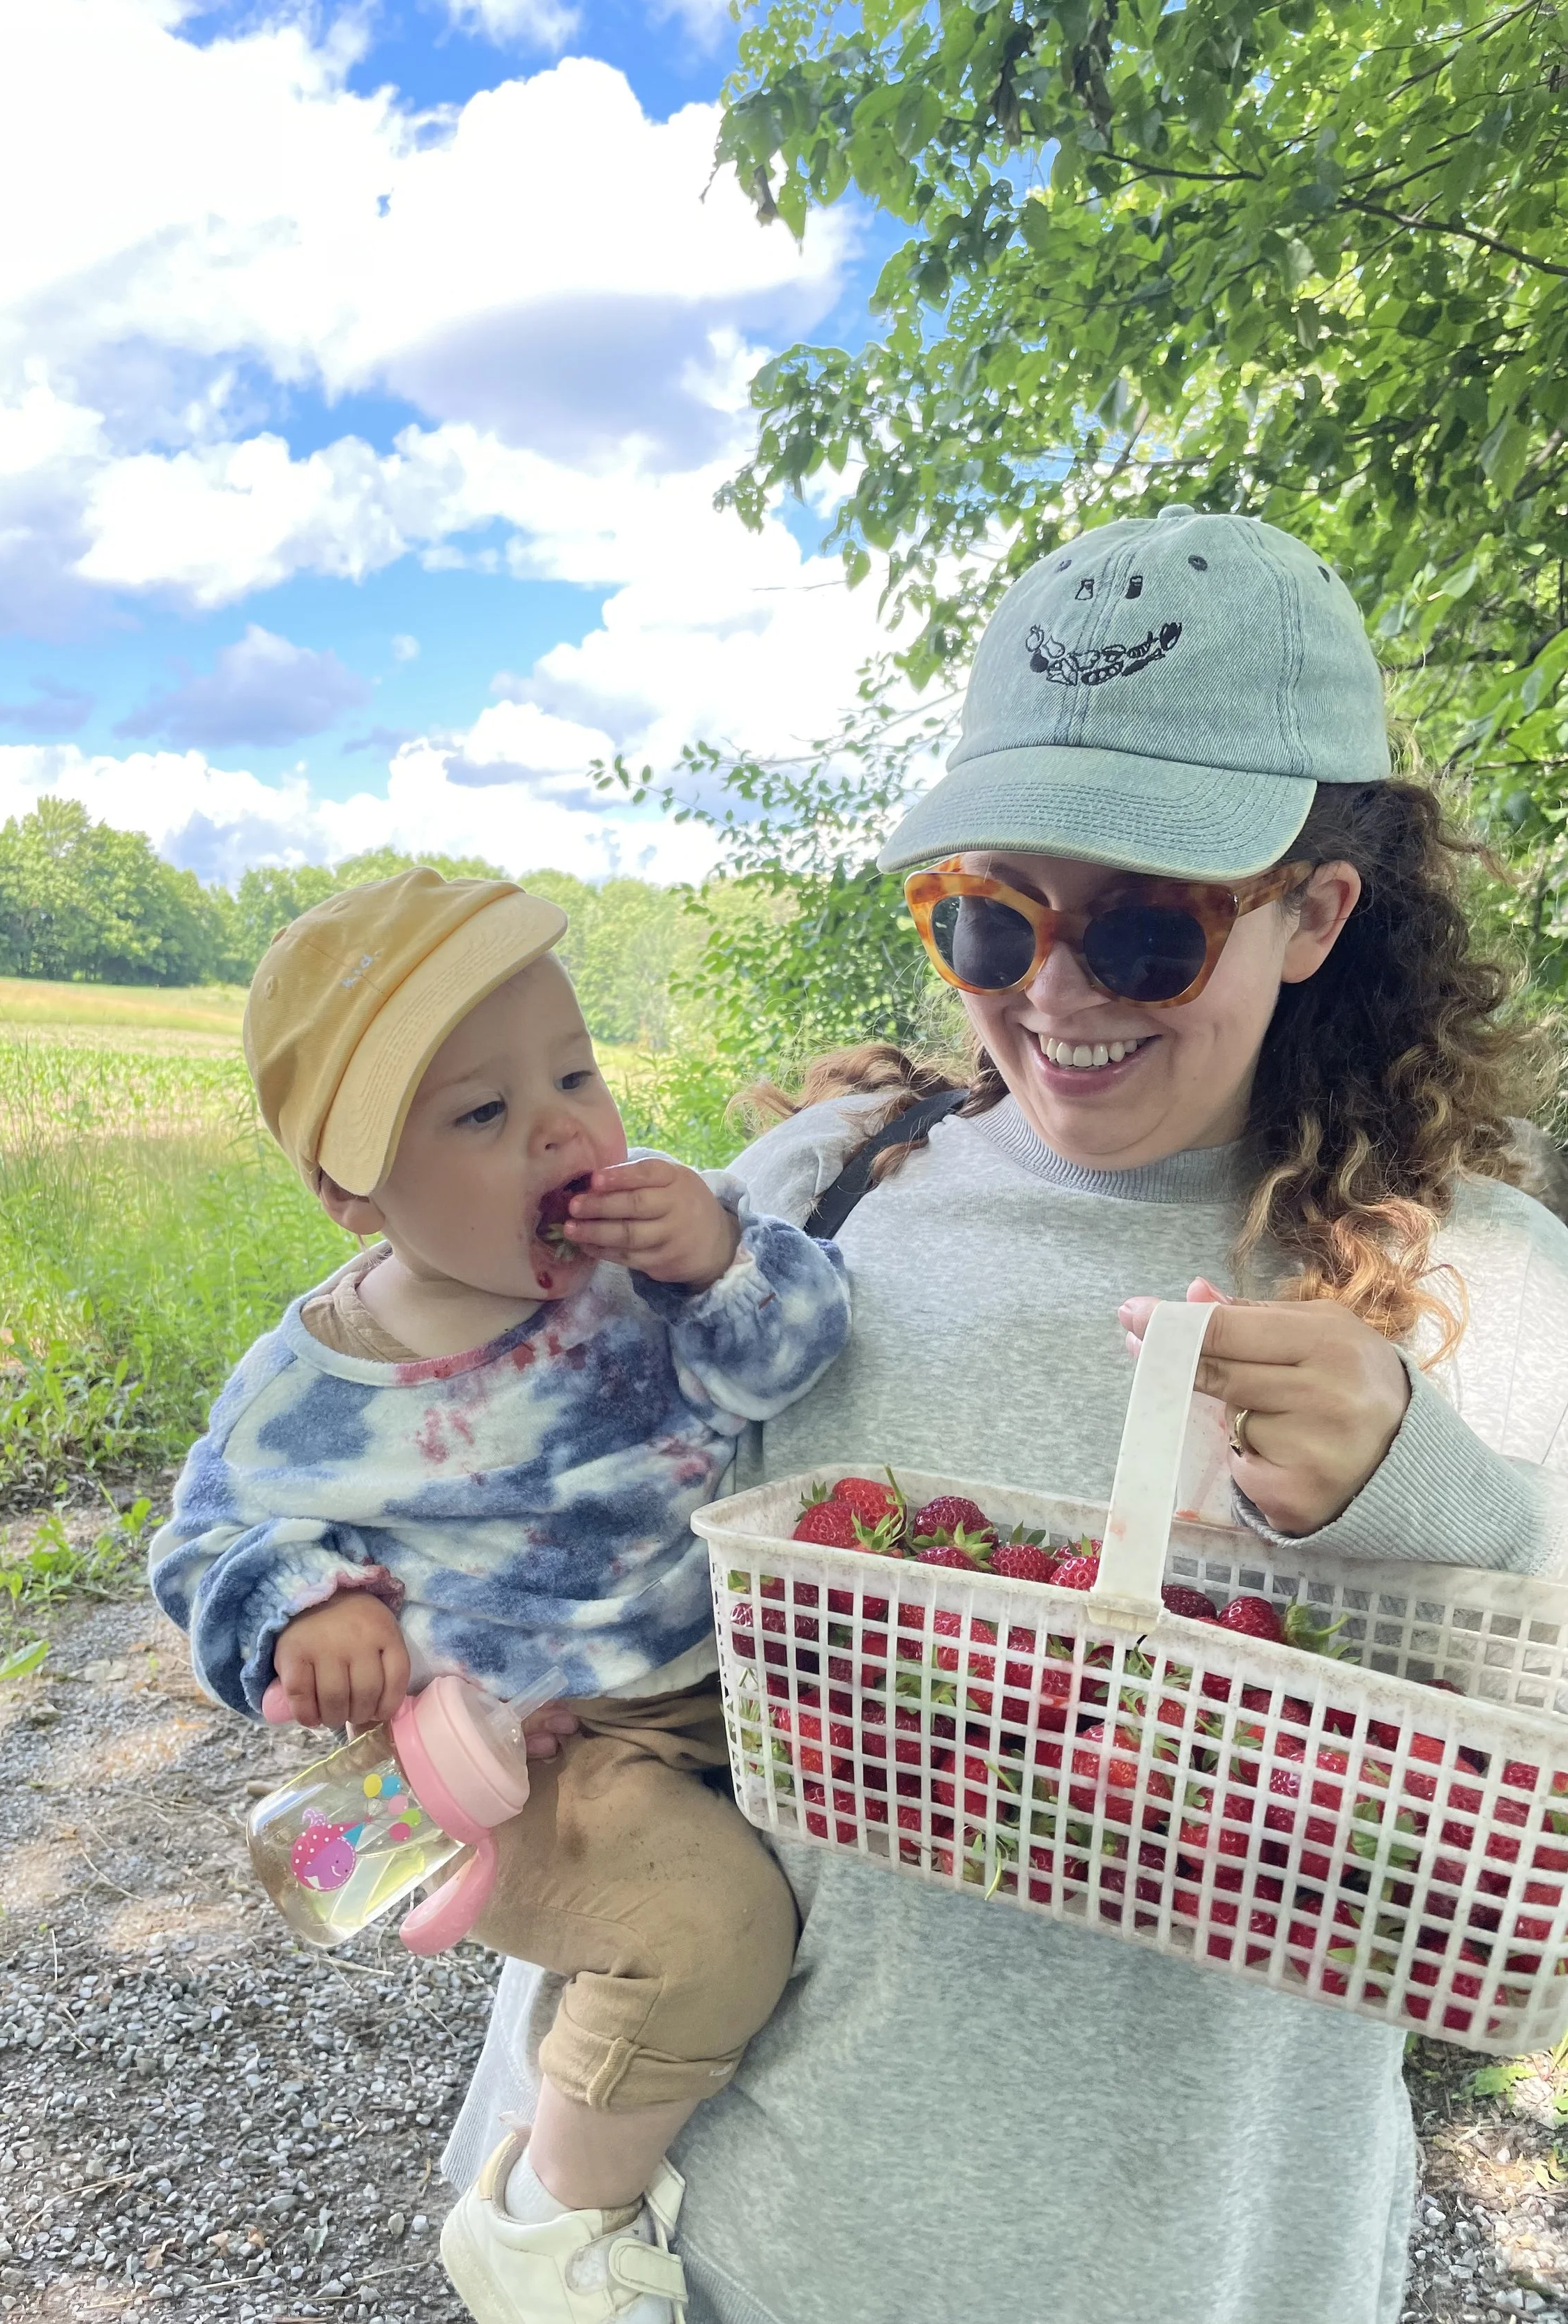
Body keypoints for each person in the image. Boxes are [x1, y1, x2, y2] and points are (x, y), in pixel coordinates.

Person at [448, 504, 1568, 2324]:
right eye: (989, 913)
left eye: (1141, 933)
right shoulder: (807, 1199)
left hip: (1217, 2266)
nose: (1048, 992)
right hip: (762, 2254)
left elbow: (1534, 1901)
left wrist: (1423, 1493)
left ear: (1311, 912)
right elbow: (564, 1590)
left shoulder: (1485, 1292)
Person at [149, 867, 851, 2324]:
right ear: (352, 1188)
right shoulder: (312, 1392)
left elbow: (788, 1357)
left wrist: (725, 1258)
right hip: (525, 1762)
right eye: (480, 1113)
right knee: (712, 1931)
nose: (561, 1127)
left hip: (720, 1687)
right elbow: (204, 1544)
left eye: (575, 1070)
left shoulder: (641, 1260)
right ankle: (542, 2230)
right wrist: (307, 1607)